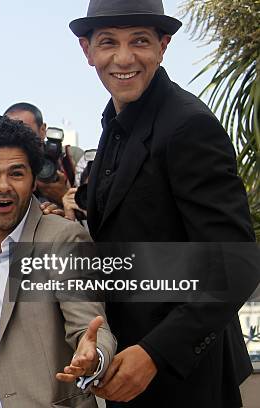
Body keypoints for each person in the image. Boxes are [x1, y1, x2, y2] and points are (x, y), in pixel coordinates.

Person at [69, 0, 257, 406]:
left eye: (139, 41)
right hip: (127, 366)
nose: (123, 58)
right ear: (88, 51)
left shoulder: (187, 124)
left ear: (163, 46)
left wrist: (155, 353)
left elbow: (237, 262)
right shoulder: (115, 124)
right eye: (108, 43)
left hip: (184, 374)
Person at [0, 116, 116, 407]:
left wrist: (94, 358)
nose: (3, 186)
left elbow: (89, 325)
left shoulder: (59, 240)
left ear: (33, 180)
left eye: (16, 174)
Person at [4, 102, 71, 206]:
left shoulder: (70, 159)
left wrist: (64, 195)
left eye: (25, 131)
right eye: (10, 132)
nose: (18, 138)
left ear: (43, 130)